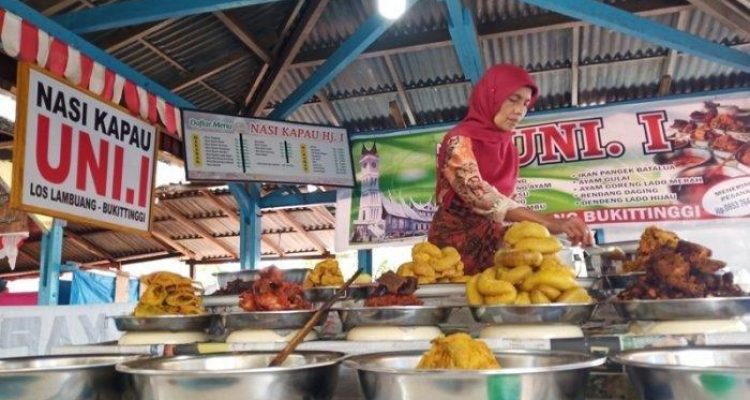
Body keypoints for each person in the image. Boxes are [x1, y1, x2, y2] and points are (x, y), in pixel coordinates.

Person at [428, 64, 592, 275]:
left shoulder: (509, 150)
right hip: (453, 248)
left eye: (525, 103)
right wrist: (550, 224)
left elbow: (506, 207)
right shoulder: (459, 140)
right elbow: (480, 196)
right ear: (490, 97)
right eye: (512, 99)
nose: (519, 111)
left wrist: (560, 226)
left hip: (494, 243)